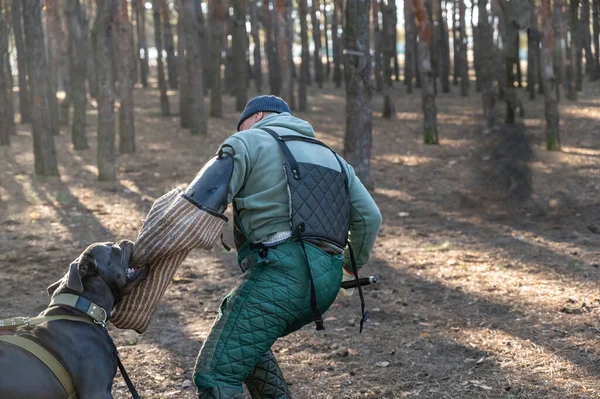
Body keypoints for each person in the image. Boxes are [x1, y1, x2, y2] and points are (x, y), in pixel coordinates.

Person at [184, 95, 382, 398]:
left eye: (242, 124)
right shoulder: (335, 158)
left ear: (258, 116)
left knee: (217, 373)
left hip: (279, 276)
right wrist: (347, 263)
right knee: (242, 336)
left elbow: (199, 201)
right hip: (325, 284)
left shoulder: (249, 142)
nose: (240, 131)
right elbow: (370, 217)